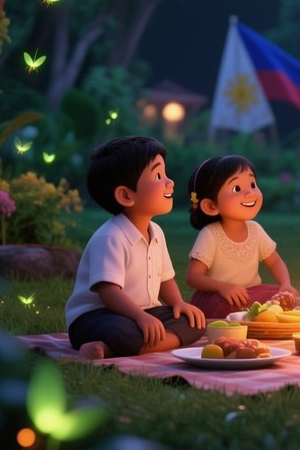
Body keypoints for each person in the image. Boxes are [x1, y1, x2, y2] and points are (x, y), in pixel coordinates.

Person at [66, 136, 206, 359]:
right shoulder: (110, 237)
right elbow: (108, 292)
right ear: (126, 195)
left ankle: (110, 350)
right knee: (124, 332)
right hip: (97, 316)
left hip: (143, 312)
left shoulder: (156, 232)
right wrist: (140, 318)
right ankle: (132, 343)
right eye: (158, 175)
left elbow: (165, 279)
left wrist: (179, 303)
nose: (169, 182)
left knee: (194, 322)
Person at [185, 155, 298, 318]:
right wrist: (223, 287)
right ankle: (259, 314)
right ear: (211, 205)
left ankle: (262, 313)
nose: (250, 193)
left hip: (251, 293)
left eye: (252, 184)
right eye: (237, 188)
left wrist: (285, 284)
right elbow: (193, 277)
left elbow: (275, 262)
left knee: (282, 296)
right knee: (232, 306)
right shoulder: (210, 234)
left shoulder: (255, 230)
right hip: (218, 296)